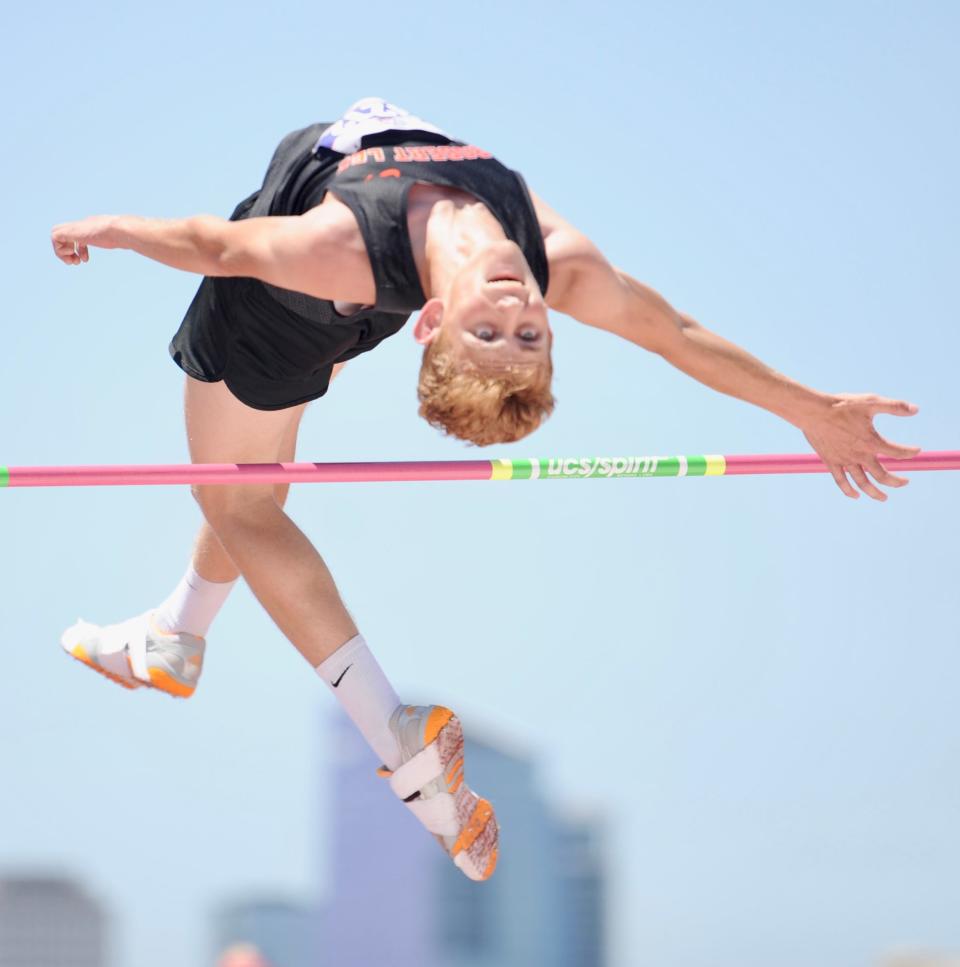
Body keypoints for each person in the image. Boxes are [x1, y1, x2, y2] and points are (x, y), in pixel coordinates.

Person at [50, 97, 919, 883]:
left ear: (430, 321)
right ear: (547, 330)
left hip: (278, 310)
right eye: (523, 333)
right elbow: (677, 332)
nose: (512, 304)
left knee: (235, 501)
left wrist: (110, 226)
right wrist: (813, 408)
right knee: (256, 504)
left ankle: (391, 735)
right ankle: (177, 634)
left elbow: (214, 246)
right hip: (334, 279)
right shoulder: (560, 266)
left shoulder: (333, 251)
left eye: (491, 329)